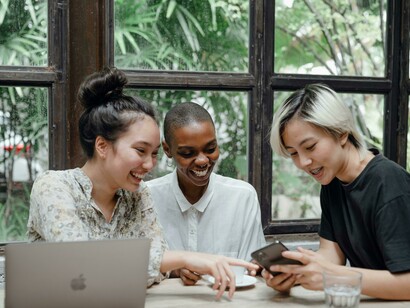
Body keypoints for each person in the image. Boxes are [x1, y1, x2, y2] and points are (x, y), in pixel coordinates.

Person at [27, 67, 258, 300]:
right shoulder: (53, 186)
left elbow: (156, 272)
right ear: (102, 146)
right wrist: (184, 258)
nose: (149, 165)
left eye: (155, 153)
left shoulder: (137, 195)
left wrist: (158, 264)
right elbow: (80, 268)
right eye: (140, 150)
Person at [265, 83, 410, 300]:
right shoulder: (332, 182)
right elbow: (331, 256)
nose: (303, 162)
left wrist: (331, 275)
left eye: (310, 147)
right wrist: (295, 273)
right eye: (293, 153)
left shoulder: (388, 182)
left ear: (341, 133)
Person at [146, 102, 266, 286]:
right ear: (168, 149)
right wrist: (176, 269)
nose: (202, 160)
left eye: (210, 149)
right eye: (187, 153)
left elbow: (253, 268)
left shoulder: (242, 197)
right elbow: (135, 267)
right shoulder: (147, 197)